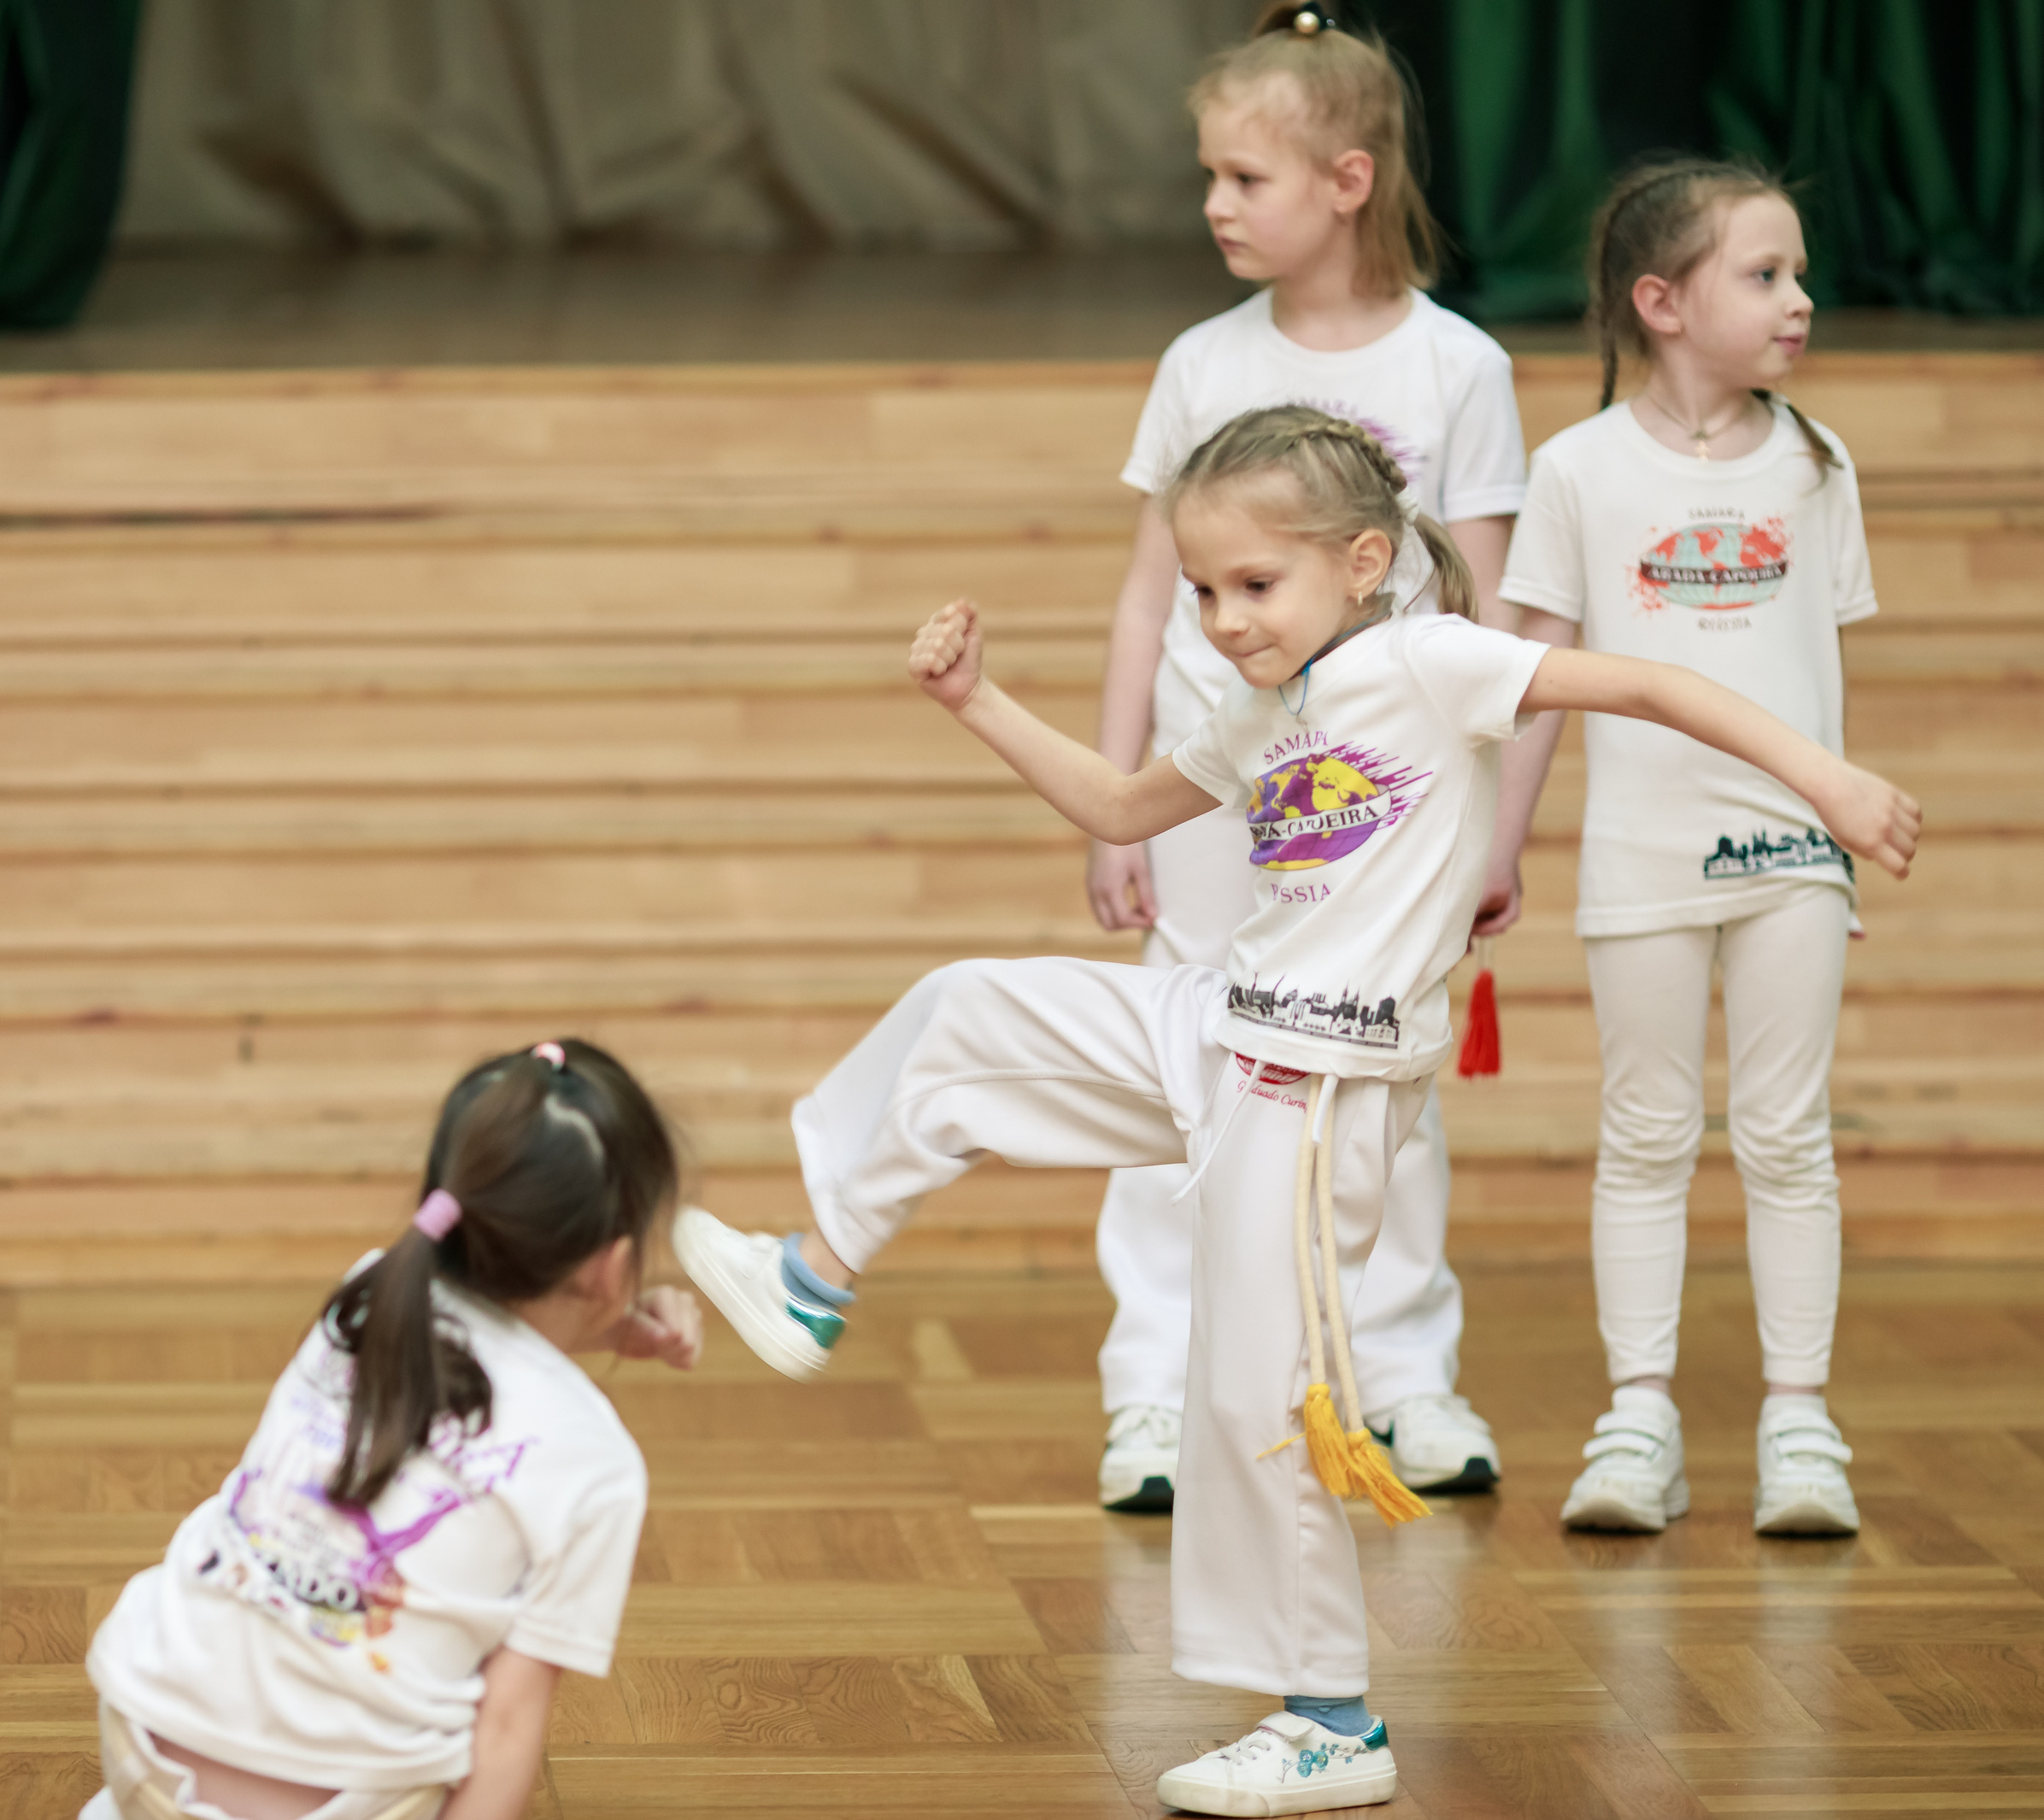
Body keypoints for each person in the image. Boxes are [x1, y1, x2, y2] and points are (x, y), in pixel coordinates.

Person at [673, 403, 1918, 1814]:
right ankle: (814, 1274)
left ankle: (1332, 1722)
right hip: (1219, 1022)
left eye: (1253, 585)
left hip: (1318, 1087)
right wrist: (979, 705)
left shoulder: (1432, 661)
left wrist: (1827, 782)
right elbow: (1122, 804)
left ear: (1365, 561)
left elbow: (1647, 689)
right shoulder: (1261, 708)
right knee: (971, 1009)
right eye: (1201, 590)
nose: (1220, 617)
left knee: (1259, 1395)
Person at [1087, 3, 1525, 1512]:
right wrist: (1115, 811)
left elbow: (1488, 614)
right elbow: (1150, 598)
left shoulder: (1458, 366)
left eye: (1245, 178)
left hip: (1388, 801)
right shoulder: (1201, 363)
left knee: (1380, 1070)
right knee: (1180, 1059)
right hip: (1219, 779)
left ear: (1347, 180)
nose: (1214, 203)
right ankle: (1154, 1389)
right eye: (1207, 174)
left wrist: (1505, 827)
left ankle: (1401, 1376)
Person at [1483, 157, 1893, 1537]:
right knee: (1646, 1134)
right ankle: (1636, 1421)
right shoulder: (1577, 471)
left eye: (1798, 273)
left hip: (1789, 858)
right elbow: (1529, 676)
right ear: (1660, 301)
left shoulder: (1815, 463)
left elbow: (1815, 674)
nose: (1801, 300)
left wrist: (1836, 811)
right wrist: (1500, 846)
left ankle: (1799, 1425)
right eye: (1764, 275)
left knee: (1788, 1136)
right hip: (1639, 861)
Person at [79, 1041, 703, 1820]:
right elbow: (508, 1728)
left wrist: (608, 1330)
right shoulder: (599, 1464)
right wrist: (605, 1324)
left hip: (140, 1723)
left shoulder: (371, 1293)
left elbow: (489, 1345)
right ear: (612, 1266)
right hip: (327, 1804)